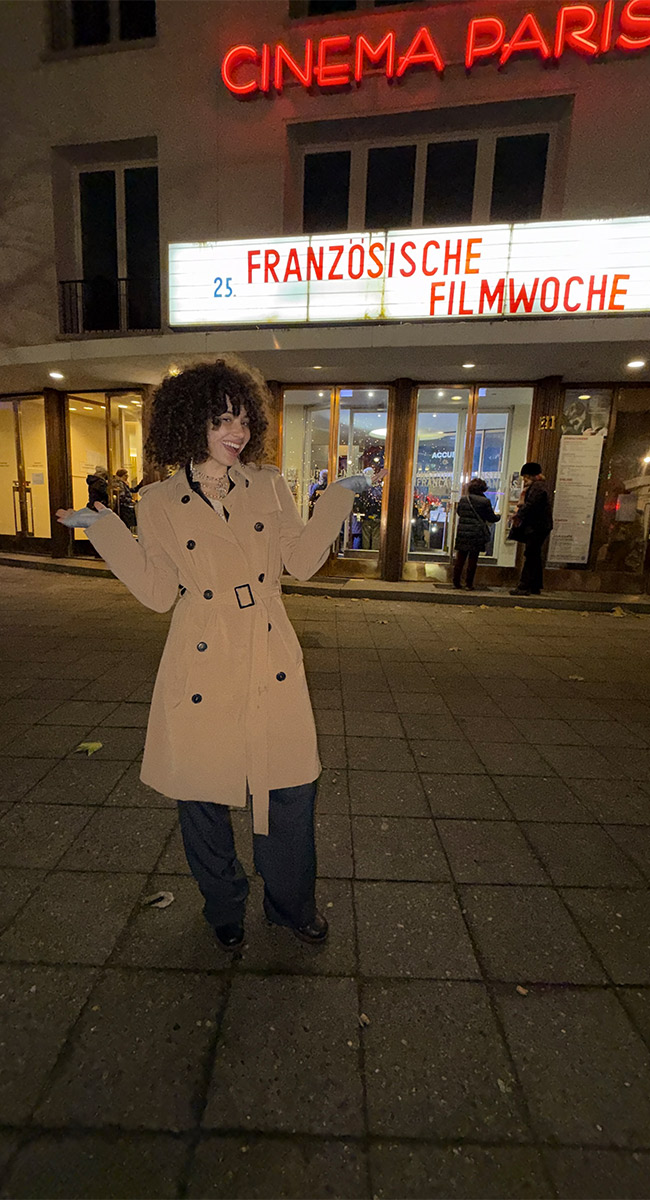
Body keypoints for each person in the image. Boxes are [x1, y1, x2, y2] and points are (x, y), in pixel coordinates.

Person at [56, 357, 384, 953]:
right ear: (189, 425)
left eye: (240, 419)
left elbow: (301, 562)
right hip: (201, 650)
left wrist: (334, 501)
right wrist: (105, 532)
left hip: (267, 642)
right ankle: (223, 905)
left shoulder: (269, 485)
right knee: (202, 795)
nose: (236, 433)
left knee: (289, 789)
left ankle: (290, 906)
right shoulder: (156, 502)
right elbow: (158, 594)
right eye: (219, 420)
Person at [510, 461, 554, 596]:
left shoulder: (537, 487)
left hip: (536, 527)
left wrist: (518, 515)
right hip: (540, 526)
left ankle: (524, 586)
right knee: (534, 556)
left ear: (532, 475)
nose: (524, 480)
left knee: (530, 555)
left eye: (526, 477)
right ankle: (535, 586)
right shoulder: (541, 486)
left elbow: (530, 505)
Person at [453, 477, 500, 590]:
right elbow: (491, 517)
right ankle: (469, 584)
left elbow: (459, 512)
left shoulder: (464, 499)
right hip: (476, 534)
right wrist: (499, 516)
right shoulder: (485, 501)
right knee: (473, 560)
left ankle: (456, 582)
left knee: (460, 558)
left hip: (463, 533)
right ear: (483, 489)